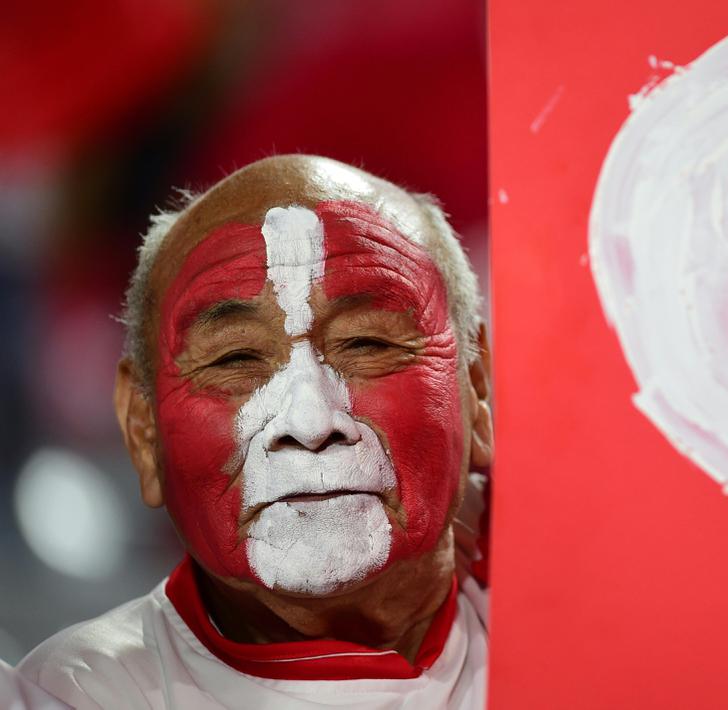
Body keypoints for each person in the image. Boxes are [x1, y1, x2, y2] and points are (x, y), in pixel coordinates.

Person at [16, 155, 494, 709]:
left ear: (476, 392)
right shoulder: (74, 697)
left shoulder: (588, 602)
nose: (311, 423)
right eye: (236, 358)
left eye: (368, 344)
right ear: (143, 434)